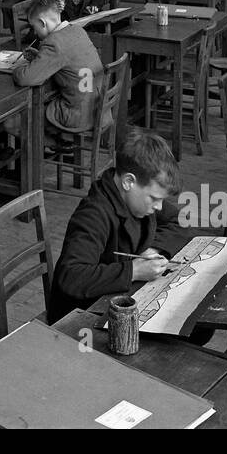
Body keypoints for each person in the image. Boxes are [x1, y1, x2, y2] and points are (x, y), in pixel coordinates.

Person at [48, 130, 180, 322]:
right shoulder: (93, 214)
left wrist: (152, 249)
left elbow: (179, 220)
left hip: (116, 302)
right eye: (154, 199)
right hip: (81, 318)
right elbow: (71, 276)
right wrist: (134, 271)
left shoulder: (138, 197)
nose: (159, 206)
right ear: (128, 182)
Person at [12, 0, 105, 140]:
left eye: (34, 27)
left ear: (42, 23)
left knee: (12, 121)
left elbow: (25, 78)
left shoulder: (54, 43)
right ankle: (58, 143)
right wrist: (40, 57)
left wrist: (18, 67)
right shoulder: (77, 30)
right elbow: (66, 59)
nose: (35, 33)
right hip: (98, 108)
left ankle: (48, 149)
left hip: (77, 115)